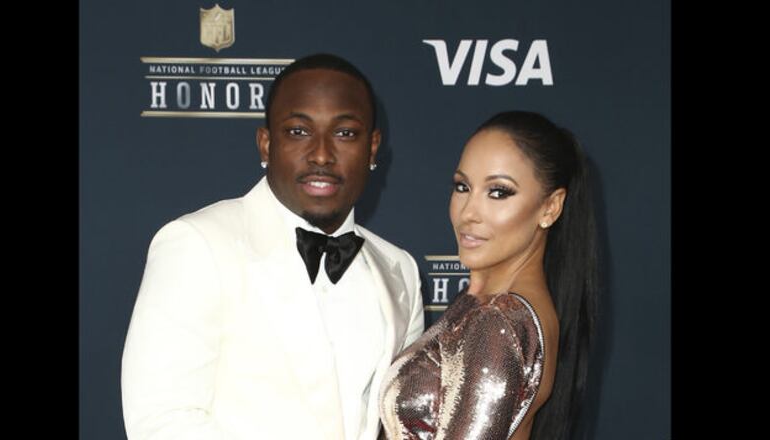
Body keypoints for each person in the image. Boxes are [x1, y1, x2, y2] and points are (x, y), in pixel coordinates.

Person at [121, 53, 425, 440]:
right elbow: (162, 421)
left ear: (373, 147)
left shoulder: (400, 270)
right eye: (299, 131)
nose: (321, 154)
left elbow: (397, 424)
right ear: (266, 144)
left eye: (345, 133)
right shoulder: (198, 244)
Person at [379, 111, 599, 440]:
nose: (468, 213)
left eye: (498, 192)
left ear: (550, 207)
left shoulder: (498, 322)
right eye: (462, 186)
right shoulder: (487, 307)